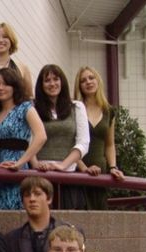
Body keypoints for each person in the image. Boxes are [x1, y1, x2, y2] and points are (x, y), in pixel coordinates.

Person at [34, 64, 90, 210]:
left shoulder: (77, 107)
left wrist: (62, 165)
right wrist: (36, 166)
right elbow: (28, 140)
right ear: (41, 85)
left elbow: (83, 142)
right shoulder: (32, 108)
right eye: (47, 80)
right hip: (40, 175)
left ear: (62, 81)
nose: (52, 84)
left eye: (56, 79)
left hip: (69, 175)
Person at [0, 68, 46, 210]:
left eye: (5, 84)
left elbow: (41, 136)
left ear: (14, 86)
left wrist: (20, 163)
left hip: (19, 170)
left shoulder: (25, 108)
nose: (0, 88)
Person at [74, 66, 125, 210]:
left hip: (100, 171)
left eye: (91, 78)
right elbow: (69, 143)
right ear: (79, 86)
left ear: (98, 81)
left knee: (99, 211)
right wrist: (84, 168)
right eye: (83, 80)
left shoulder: (109, 111)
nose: (88, 82)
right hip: (78, 169)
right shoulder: (75, 109)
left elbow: (109, 144)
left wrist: (113, 167)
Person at [0, 23, 33, 105]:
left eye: (5, 37)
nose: (1, 40)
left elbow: (29, 98)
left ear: (11, 40)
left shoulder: (22, 69)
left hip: (16, 116)